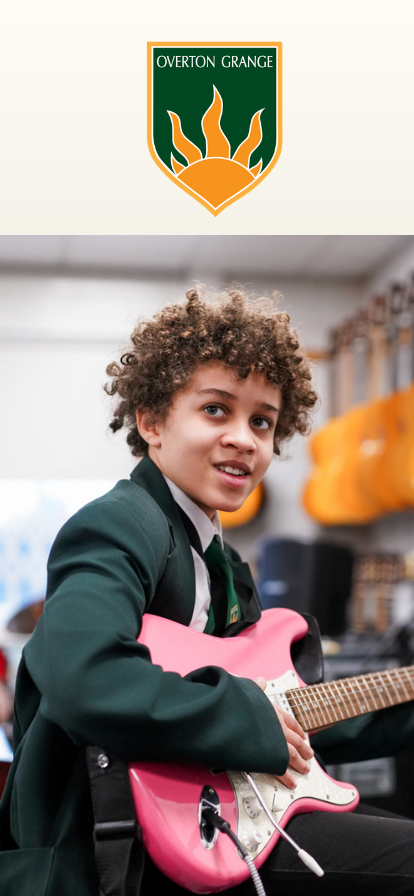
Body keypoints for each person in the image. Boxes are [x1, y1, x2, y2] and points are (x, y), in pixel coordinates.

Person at [1, 287, 414, 896]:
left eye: (262, 421)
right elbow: (84, 677)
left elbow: (285, 714)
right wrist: (249, 718)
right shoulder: (119, 524)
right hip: (114, 846)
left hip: (218, 821)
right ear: (151, 422)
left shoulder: (226, 566)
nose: (244, 438)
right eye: (216, 410)